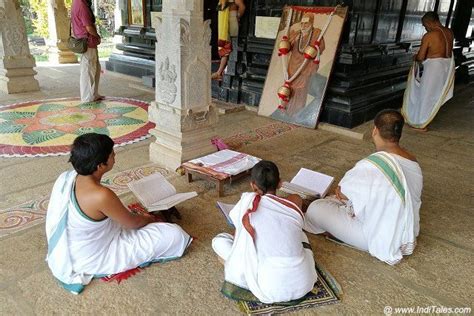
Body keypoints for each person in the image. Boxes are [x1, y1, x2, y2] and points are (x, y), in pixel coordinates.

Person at [45, 133, 192, 294]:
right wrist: (149, 219)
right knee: (174, 235)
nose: (115, 156)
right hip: (92, 257)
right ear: (100, 165)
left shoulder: (66, 178)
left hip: (69, 249)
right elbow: (133, 223)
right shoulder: (101, 195)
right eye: (112, 154)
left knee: (127, 216)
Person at [304, 110, 423, 265]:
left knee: (316, 208)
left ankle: (336, 232)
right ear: (399, 134)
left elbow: (342, 194)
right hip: (408, 236)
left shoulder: (370, 165)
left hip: (377, 238)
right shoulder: (413, 161)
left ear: (375, 130)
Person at [212, 161, 317, 303]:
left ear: (253, 186)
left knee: (219, 241)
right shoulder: (294, 203)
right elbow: (295, 199)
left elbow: (238, 241)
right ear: (280, 183)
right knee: (302, 235)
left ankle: (236, 265)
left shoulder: (246, 203)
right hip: (304, 282)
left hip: (268, 288)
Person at [402, 11, 454, 131]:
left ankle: (422, 124)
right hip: (446, 66)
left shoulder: (430, 36)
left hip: (434, 67)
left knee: (426, 94)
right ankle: (425, 119)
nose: (426, 28)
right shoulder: (449, 32)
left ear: (429, 22)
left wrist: (415, 57)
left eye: (425, 26)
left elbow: (421, 57)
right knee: (434, 94)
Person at [285, 12, 325, 117]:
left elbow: (321, 47)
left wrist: (314, 50)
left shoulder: (317, 33)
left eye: (306, 23)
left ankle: (297, 112)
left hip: (306, 66)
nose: (303, 26)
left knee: (301, 89)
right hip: (293, 65)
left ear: (311, 23)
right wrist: (288, 43)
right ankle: (287, 109)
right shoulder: (297, 34)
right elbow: (287, 47)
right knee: (290, 87)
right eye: (302, 23)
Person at [71, 0, 103, 102]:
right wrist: (97, 36)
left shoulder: (76, 2)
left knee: (95, 68)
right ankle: (87, 98)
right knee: (88, 70)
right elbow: (88, 27)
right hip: (88, 42)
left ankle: (94, 94)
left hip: (86, 41)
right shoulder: (81, 3)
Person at [211, 0, 246, 80]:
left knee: (226, 47)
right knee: (224, 46)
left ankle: (219, 72)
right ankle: (220, 72)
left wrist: (237, 17)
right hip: (224, 22)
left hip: (231, 21)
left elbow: (242, 7)